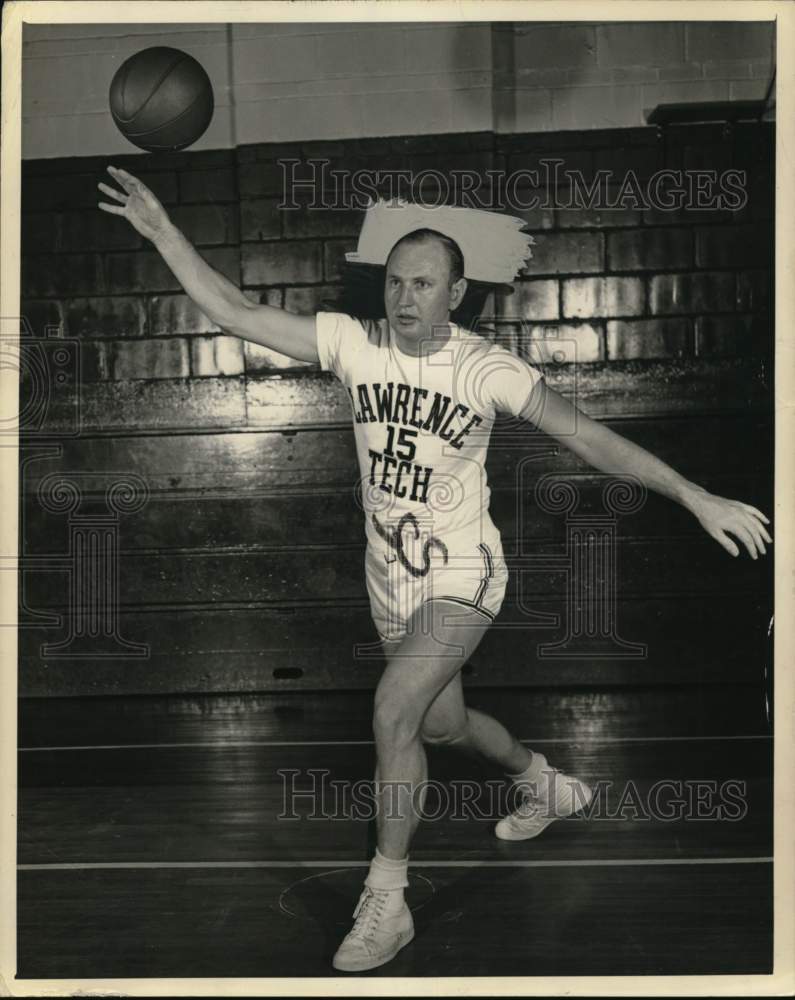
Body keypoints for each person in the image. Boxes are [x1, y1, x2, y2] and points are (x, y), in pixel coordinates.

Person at [99, 168, 772, 973]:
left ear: (455, 293)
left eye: (422, 282)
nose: (403, 295)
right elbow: (236, 312)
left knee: (391, 711)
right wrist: (162, 230)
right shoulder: (353, 343)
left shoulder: (485, 368)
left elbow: (588, 437)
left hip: (463, 572)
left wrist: (694, 496)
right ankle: (545, 783)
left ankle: (387, 899)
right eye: (393, 281)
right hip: (390, 579)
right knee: (440, 726)